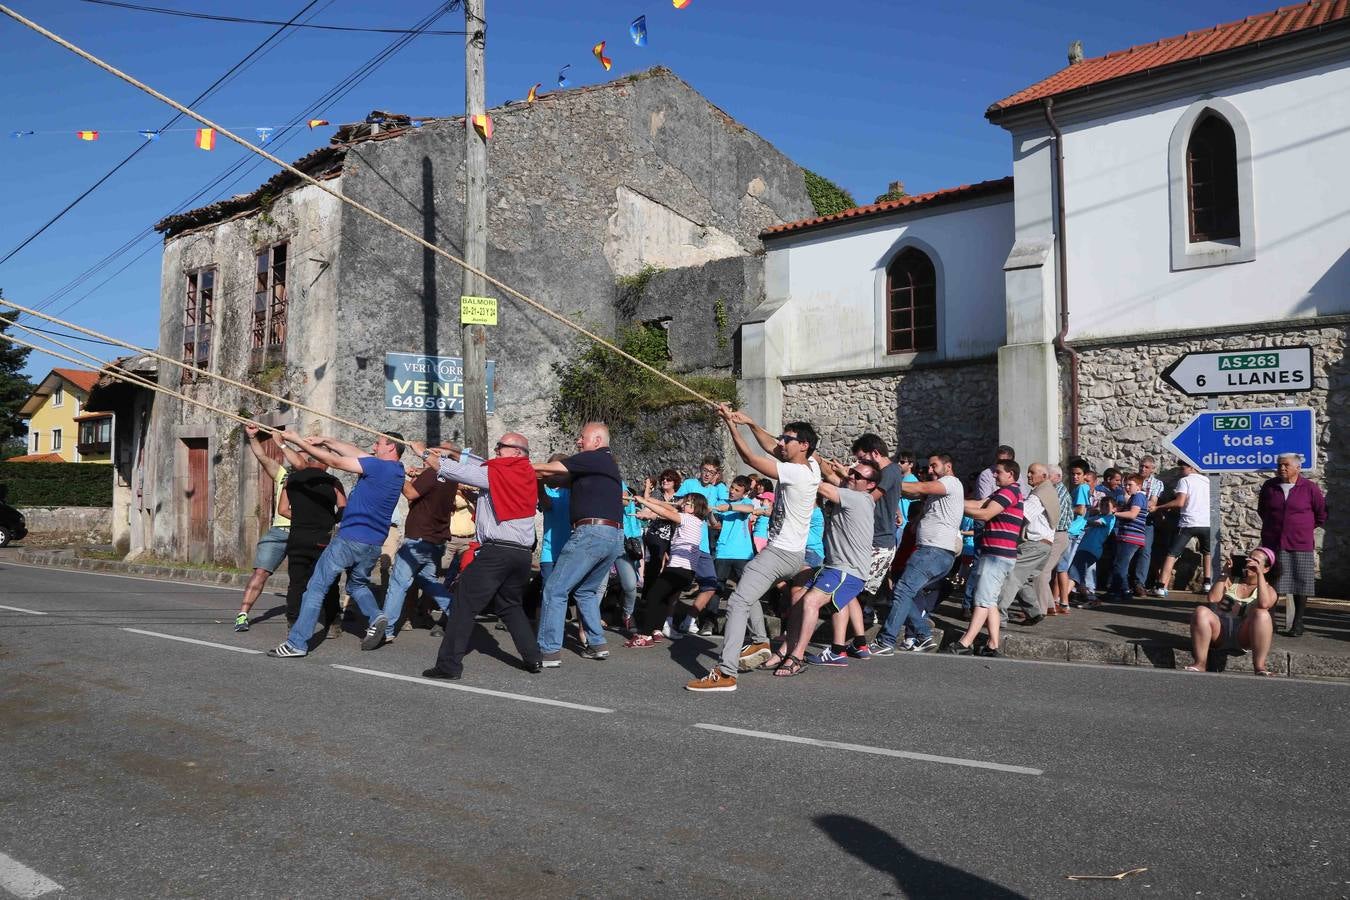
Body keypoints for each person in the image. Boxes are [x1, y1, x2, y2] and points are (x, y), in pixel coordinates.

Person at [685, 407, 820, 692]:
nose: (781, 443)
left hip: (780, 553)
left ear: (804, 445)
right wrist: (749, 421)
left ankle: (726, 673)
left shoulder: (795, 472)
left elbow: (750, 457)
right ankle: (759, 640)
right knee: (748, 592)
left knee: (736, 602)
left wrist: (730, 425)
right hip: (793, 553)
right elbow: (770, 444)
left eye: (788, 439)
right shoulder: (812, 466)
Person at [267, 430, 406, 658]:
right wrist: (326, 441)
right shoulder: (397, 471)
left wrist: (297, 441)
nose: (374, 445)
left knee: (316, 587)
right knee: (357, 585)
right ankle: (376, 616)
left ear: (391, 447)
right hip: (373, 544)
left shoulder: (378, 467)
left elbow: (334, 460)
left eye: (378, 443)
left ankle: (297, 643)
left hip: (350, 539)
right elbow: (353, 451)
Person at [417, 434, 543, 679]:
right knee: (510, 605)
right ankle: (533, 657)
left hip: (497, 552)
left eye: (501, 446)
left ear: (517, 452)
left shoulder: (499, 473)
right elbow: (479, 464)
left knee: (463, 603)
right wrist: (453, 453)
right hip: (520, 555)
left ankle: (448, 666)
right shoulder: (523, 472)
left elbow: (459, 472)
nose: (496, 450)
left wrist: (424, 454)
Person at [760, 460, 878, 675]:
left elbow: (821, 486)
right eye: (852, 472)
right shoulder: (851, 490)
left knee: (811, 602)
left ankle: (797, 657)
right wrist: (815, 460)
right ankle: (786, 650)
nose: (852, 476)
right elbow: (832, 477)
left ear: (870, 485)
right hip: (833, 566)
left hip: (848, 570)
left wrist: (801, 464)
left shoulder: (859, 498)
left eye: (858, 476)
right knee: (798, 602)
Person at [534, 422, 625, 666]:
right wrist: (540, 478)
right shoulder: (600, 466)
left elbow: (550, 467)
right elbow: (556, 479)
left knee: (555, 589)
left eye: (581, 438)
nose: (578, 441)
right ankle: (597, 644)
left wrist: (520, 467)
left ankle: (549, 651)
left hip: (592, 533)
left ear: (597, 440)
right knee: (585, 590)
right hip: (612, 537)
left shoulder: (596, 457)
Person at [867, 453, 965, 655]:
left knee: (902, 590)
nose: (930, 470)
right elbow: (914, 494)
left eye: (934, 466)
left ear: (948, 466)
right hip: (935, 553)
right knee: (903, 592)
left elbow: (919, 487)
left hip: (933, 551)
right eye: (928, 467)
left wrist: (886, 481)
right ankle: (923, 634)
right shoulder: (940, 490)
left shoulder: (951, 482)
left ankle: (886, 641)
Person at [368, 446, 459, 647]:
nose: (428, 453)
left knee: (398, 583)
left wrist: (398, 473)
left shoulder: (434, 473)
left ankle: (387, 629)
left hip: (418, 539)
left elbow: (410, 493)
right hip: (436, 540)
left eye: (435, 451)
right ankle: (458, 614)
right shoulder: (451, 476)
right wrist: (417, 473)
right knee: (429, 581)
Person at [944, 460, 1023, 657]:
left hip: (997, 556)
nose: (994, 476)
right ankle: (993, 645)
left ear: (1011, 474)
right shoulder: (1001, 492)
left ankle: (965, 642)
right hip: (995, 554)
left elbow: (985, 513)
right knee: (990, 601)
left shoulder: (1009, 492)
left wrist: (954, 506)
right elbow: (979, 503)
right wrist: (952, 499)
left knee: (981, 600)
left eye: (998, 473)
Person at [233, 424, 307, 631]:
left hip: (303, 534)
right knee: (260, 573)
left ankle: (321, 615)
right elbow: (262, 457)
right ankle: (242, 615)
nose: (294, 458)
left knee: (307, 578)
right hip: (279, 532)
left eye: (300, 455)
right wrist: (252, 438)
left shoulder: (315, 478)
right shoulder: (283, 474)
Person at [277, 443, 346, 637]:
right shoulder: (333, 482)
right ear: (324, 462)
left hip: (297, 538)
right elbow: (343, 508)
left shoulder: (291, 480)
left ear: (308, 461)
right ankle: (332, 623)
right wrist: (330, 519)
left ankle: (293, 621)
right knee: (328, 582)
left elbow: (282, 509)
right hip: (323, 539)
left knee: (297, 582)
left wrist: (300, 517)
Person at [623, 492, 710, 646]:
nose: (683, 504)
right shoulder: (696, 521)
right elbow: (669, 507)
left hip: (678, 569)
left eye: (688, 503)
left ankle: (645, 635)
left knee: (653, 596)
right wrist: (651, 502)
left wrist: (644, 501)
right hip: (686, 573)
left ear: (696, 508)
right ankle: (656, 630)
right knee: (663, 599)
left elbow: (665, 512)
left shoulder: (687, 519)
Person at [1258, 453, 1327, 637]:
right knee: (1272, 582)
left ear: (1298, 467)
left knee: (1301, 583)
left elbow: (1321, 514)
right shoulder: (1269, 487)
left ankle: (1298, 623)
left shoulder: (1309, 488)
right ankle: (1269, 621)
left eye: (1286, 465)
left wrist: (1301, 528)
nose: (1281, 468)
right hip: (1273, 542)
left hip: (1299, 542)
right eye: (1279, 465)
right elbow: (1262, 510)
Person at [1186, 547, 1278, 675]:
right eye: (1249, 558)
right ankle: (1200, 663)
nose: (1250, 563)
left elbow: (1264, 604)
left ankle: (1259, 667)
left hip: (1244, 636)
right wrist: (1225, 573)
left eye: (1255, 561)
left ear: (1266, 568)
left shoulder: (1269, 590)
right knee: (1201, 611)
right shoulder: (1231, 581)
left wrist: (1259, 575)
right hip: (1220, 632)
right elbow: (1213, 598)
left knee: (1262, 614)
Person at [997, 462, 1059, 626]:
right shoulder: (1047, 492)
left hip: (1034, 545)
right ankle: (1034, 612)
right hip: (1045, 546)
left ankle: (998, 616)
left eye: (1032, 472)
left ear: (1044, 476)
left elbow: (1021, 514)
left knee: (1011, 576)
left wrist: (998, 510)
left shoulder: (1038, 495)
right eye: (1028, 472)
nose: (1028, 475)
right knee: (1024, 580)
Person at [1152, 461, 1212, 597]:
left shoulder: (1184, 481)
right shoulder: (1208, 481)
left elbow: (1180, 502)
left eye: (1182, 467)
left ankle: (1161, 586)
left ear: (1192, 467)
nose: (1180, 470)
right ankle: (1207, 583)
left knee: (1172, 554)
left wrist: (1158, 507)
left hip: (1188, 523)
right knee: (1207, 552)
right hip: (1206, 522)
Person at [1105, 472, 1149, 601]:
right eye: (1126, 485)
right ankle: (1125, 591)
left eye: (1130, 485)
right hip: (1127, 536)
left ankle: (1115, 592)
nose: (1127, 487)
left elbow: (1132, 514)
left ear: (1139, 486)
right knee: (1120, 564)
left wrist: (1114, 513)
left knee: (1120, 565)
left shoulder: (1138, 497)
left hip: (1131, 537)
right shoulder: (1134, 497)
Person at [1038, 464, 1074, 616]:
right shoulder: (1057, 490)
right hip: (1060, 535)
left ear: (1058, 477)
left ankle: (1041, 609)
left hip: (1057, 535)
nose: (1045, 477)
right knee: (1050, 571)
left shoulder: (1056, 492)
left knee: (1042, 572)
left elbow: (1052, 517)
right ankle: (1051, 606)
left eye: (1048, 474)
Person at [638, 469, 680, 585]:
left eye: (668, 479)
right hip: (656, 533)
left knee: (673, 564)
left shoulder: (680, 496)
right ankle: (647, 593)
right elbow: (649, 507)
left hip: (674, 535)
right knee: (655, 563)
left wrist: (654, 515)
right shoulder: (657, 493)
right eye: (663, 479)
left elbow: (677, 514)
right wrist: (645, 514)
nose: (665, 481)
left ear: (675, 482)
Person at [1131, 455, 1164, 594]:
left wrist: (1137, 505)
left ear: (1152, 469)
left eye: (1146, 467)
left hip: (1146, 521)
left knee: (1145, 551)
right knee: (1126, 551)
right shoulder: (1132, 480)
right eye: (1141, 466)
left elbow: (1153, 503)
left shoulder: (1157, 484)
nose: (1142, 469)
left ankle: (1139, 583)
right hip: (1131, 520)